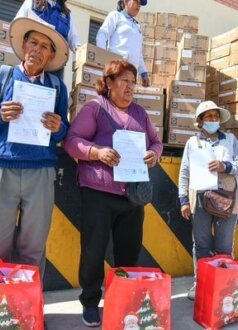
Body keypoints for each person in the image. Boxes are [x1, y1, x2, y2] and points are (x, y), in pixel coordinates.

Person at [0, 17, 70, 330]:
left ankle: (28, 310)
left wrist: (60, 127)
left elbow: (65, 132)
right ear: (23, 47)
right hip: (2, 167)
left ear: (50, 57)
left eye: (45, 47)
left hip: (41, 171)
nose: (37, 49)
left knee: (33, 247)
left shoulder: (58, 87)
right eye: (33, 42)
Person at [64, 59, 163, 327]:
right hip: (98, 192)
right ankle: (90, 302)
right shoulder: (95, 108)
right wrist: (97, 152)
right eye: (124, 81)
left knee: (129, 252)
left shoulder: (140, 113)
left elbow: (156, 141)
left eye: (133, 82)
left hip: (132, 195)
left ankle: (123, 298)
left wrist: (154, 154)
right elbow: (72, 141)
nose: (130, 87)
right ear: (108, 83)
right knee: (93, 251)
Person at [178, 100, 238, 300]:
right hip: (200, 199)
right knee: (200, 244)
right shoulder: (192, 143)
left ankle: (225, 286)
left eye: (215, 116)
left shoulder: (230, 140)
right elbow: (185, 172)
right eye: (208, 117)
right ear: (200, 121)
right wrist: (183, 200)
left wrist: (225, 166)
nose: (213, 120)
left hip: (227, 198)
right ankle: (200, 283)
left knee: (224, 246)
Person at [15, 0, 80, 79]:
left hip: (54, 69)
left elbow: (73, 38)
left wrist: (79, 50)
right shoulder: (31, 2)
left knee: (53, 90)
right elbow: (17, 25)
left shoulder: (66, 14)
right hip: (31, 64)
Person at [96, 0, 150, 87]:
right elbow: (102, 35)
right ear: (126, 1)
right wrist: (103, 60)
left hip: (131, 76)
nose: (139, 5)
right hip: (117, 71)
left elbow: (138, 54)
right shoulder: (116, 16)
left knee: (125, 100)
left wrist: (144, 73)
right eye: (136, 1)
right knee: (113, 99)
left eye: (140, 3)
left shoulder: (137, 27)